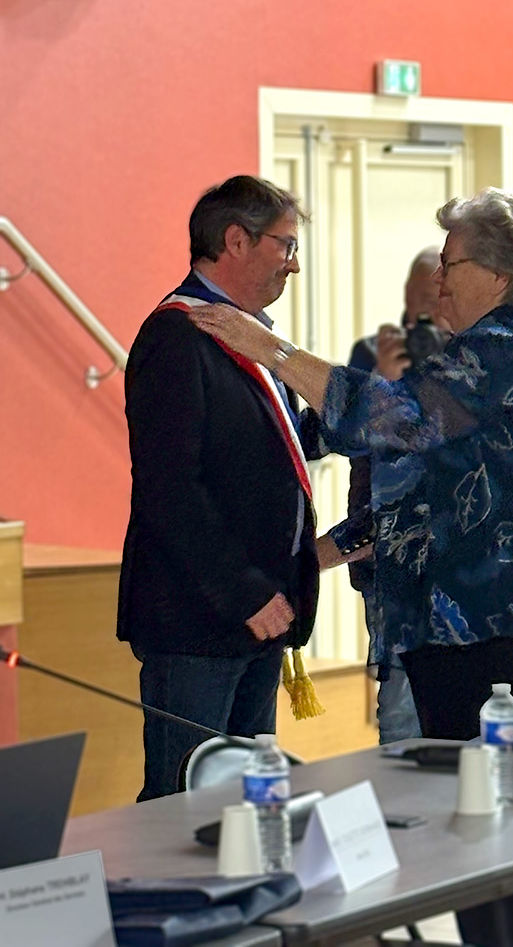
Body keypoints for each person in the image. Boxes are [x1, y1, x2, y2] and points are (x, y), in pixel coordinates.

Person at [191, 186, 513, 947]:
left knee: (481, 817)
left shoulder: (508, 343)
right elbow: (409, 477)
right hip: (455, 619)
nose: (437, 280)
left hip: (488, 616)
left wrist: (270, 350)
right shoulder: (474, 349)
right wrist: (312, 553)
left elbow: (393, 418)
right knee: (466, 810)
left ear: (499, 277)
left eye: (452, 265)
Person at [117, 175, 320, 802]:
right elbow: (170, 491)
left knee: (250, 802)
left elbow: (265, 449)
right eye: (285, 245)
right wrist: (245, 592)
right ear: (236, 240)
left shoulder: (246, 332)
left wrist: (361, 416)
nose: (293, 263)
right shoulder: (178, 336)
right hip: (203, 619)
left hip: (258, 614)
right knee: (182, 808)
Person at [346, 246, 447, 744]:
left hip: (455, 552)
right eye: (421, 294)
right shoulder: (372, 353)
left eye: (440, 293)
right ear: (406, 294)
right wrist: (382, 383)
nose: (429, 306)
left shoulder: (473, 359)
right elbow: (350, 437)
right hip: (385, 548)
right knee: (401, 699)